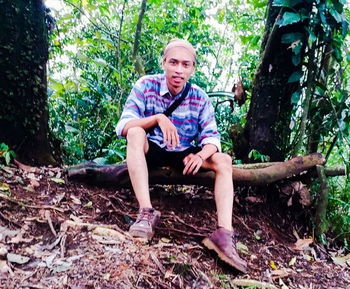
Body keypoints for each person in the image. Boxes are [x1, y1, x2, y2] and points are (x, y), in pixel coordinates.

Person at [115, 38, 247, 273]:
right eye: (173, 62)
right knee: (135, 133)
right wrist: (157, 118)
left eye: (185, 64)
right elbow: (123, 126)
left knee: (223, 160)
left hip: (184, 152)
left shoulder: (199, 97)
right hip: (152, 147)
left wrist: (200, 156)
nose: (179, 69)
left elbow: (212, 138)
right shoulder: (146, 85)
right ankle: (146, 212)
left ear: (193, 68)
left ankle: (224, 235)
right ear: (163, 62)